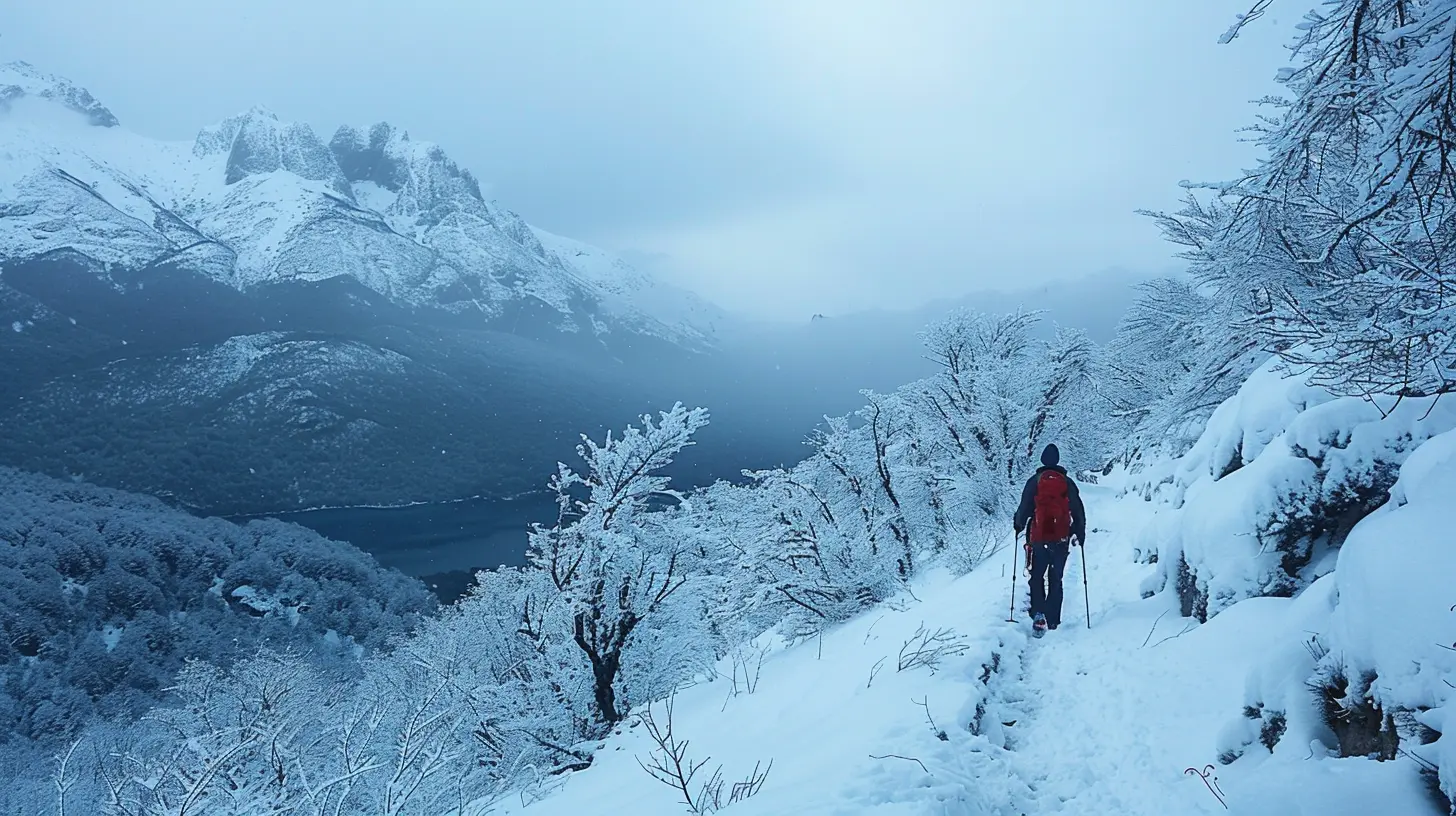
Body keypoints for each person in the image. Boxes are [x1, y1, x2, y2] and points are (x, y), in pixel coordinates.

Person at [1013, 443, 1086, 636]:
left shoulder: (1035, 481)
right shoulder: (1067, 482)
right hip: (1061, 539)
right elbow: (1078, 509)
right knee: (1056, 578)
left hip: (1038, 538)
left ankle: (1038, 613)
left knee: (1036, 577)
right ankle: (1053, 619)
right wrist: (1080, 532)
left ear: (1043, 460)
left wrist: (1018, 524)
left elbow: (1024, 508)